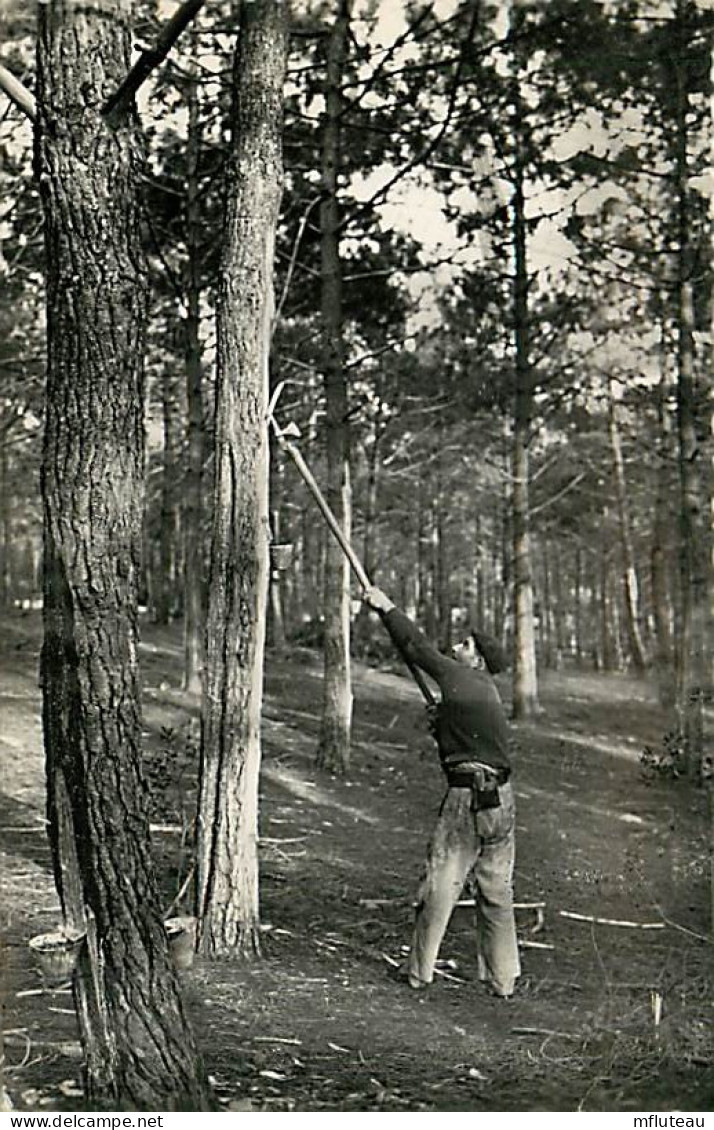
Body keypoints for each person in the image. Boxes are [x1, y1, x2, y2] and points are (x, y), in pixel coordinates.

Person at [362, 586, 520, 998]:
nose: (455, 646)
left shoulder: (462, 677)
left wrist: (386, 607)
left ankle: (418, 973)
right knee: (496, 890)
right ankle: (503, 981)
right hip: (501, 800)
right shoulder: (483, 693)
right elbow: (469, 738)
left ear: (478, 659)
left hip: (467, 800)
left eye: (464, 645)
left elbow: (417, 649)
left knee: (440, 884)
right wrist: (444, 725)